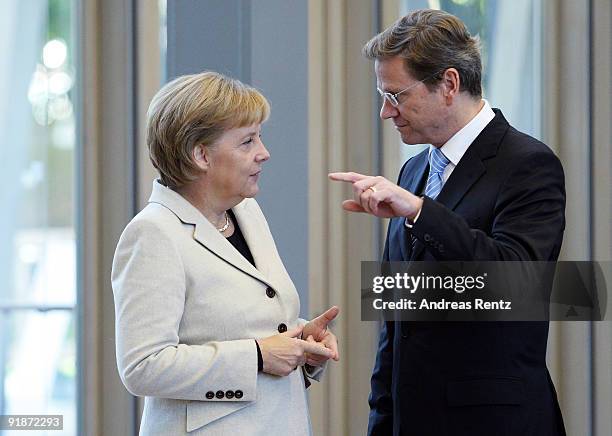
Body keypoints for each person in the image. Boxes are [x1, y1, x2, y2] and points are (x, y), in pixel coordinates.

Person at [329, 9, 566, 436]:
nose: (386, 112)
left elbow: (517, 282)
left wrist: (421, 212)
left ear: (449, 84)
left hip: (493, 422)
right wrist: (382, 419)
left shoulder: (528, 163)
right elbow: (398, 319)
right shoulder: (413, 172)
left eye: (396, 96)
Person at [112, 71, 339, 435]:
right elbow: (143, 366)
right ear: (200, 154)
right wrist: (259, 356)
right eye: (247, 142)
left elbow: (244, 326)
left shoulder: (246, 211)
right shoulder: (153, 233)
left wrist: (298, 339)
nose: (264, 153)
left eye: (259, 138)